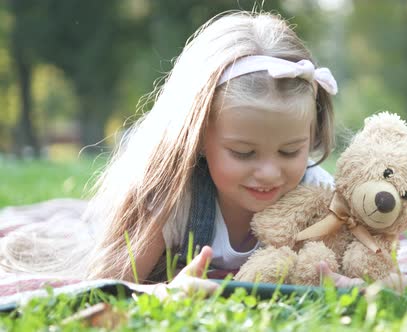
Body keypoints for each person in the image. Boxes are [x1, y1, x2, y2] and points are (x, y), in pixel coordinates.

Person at [0, 11, 364, 297]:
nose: (269, 172)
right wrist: (167, 292)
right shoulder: (172, 200)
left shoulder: (315, 194)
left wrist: (348, 283)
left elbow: (361, 261)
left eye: (290, 151)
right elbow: (108, 286)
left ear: (311, 134)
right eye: (243, 152)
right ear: (198, 138)